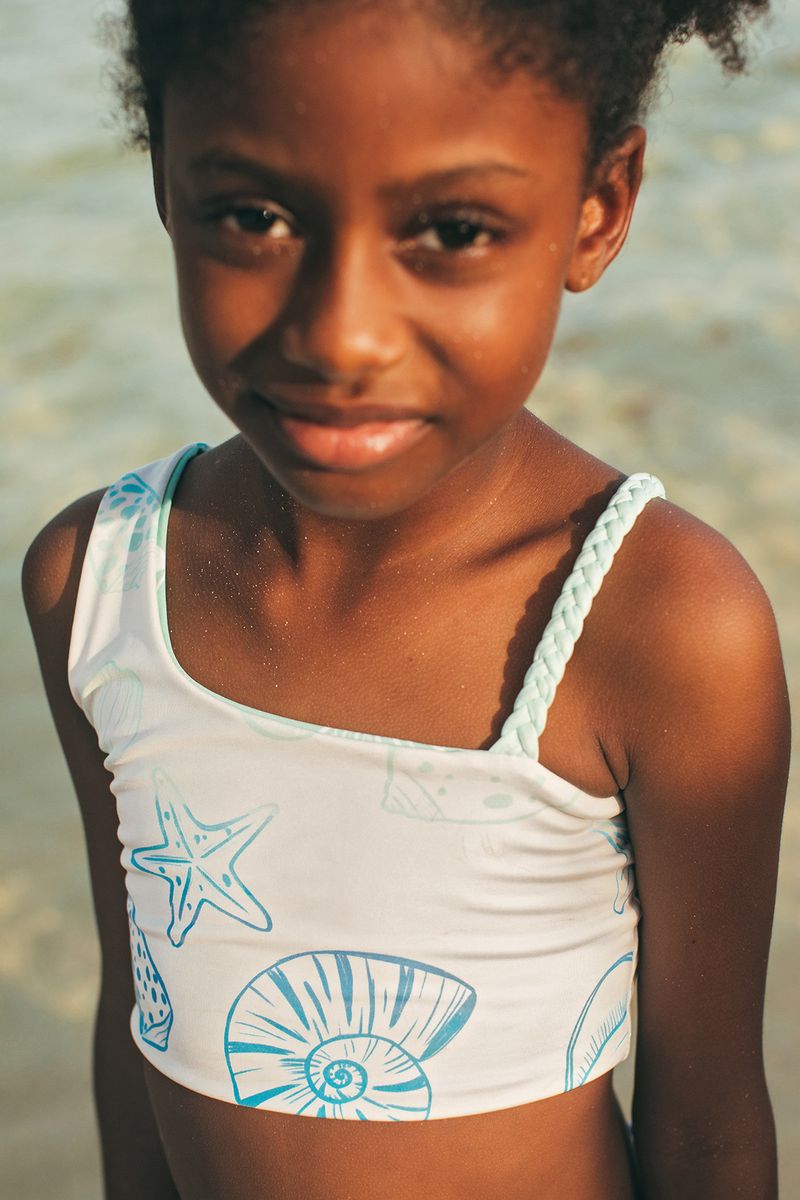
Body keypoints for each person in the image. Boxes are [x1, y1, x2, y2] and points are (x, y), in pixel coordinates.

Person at [22, 1, 789, 1197]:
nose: (341, 336)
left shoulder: (658, 624)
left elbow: (706, 1127)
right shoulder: (98, 587)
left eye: (451, 229)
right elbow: (138, 1026)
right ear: (166, 179)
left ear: (598, 208)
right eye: (253, 216)